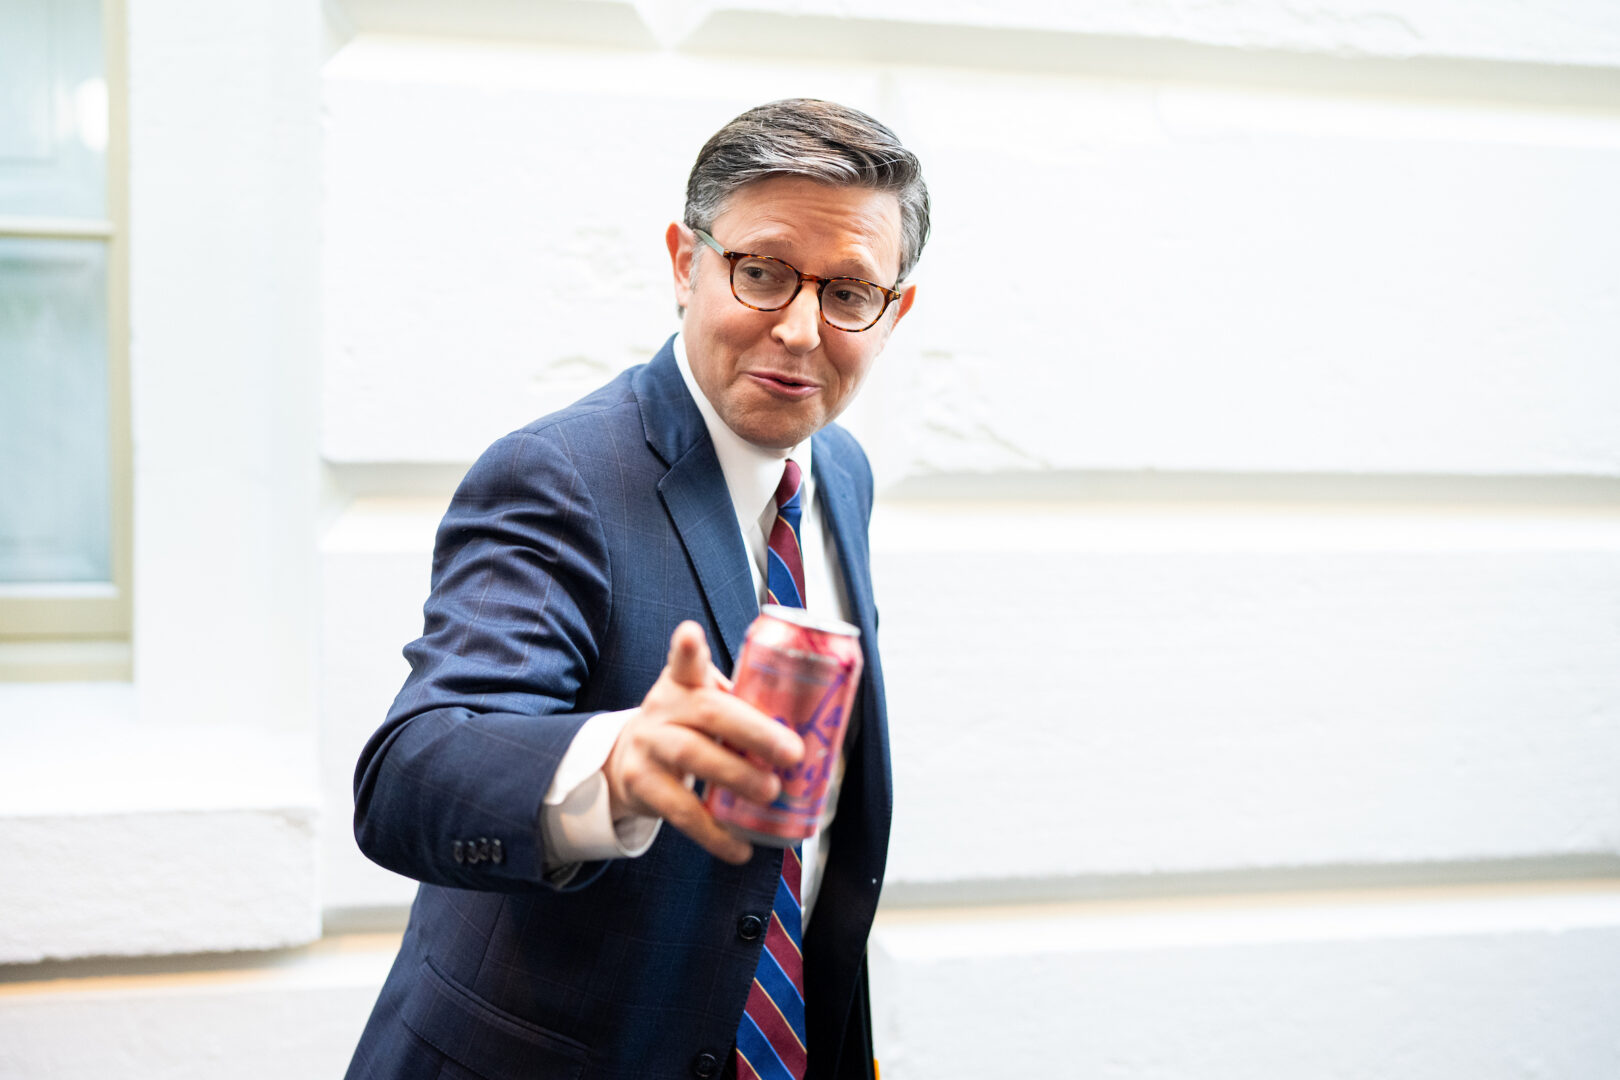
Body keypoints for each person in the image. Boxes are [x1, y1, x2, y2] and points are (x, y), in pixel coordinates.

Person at [345, 98, 927, 1080]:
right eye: (763, 272)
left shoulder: (842, 472)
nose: (798, 329)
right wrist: (615, 762)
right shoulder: (557, 475)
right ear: (685, 263)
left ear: (894, 310)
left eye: (847, 292)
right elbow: (413, 770)